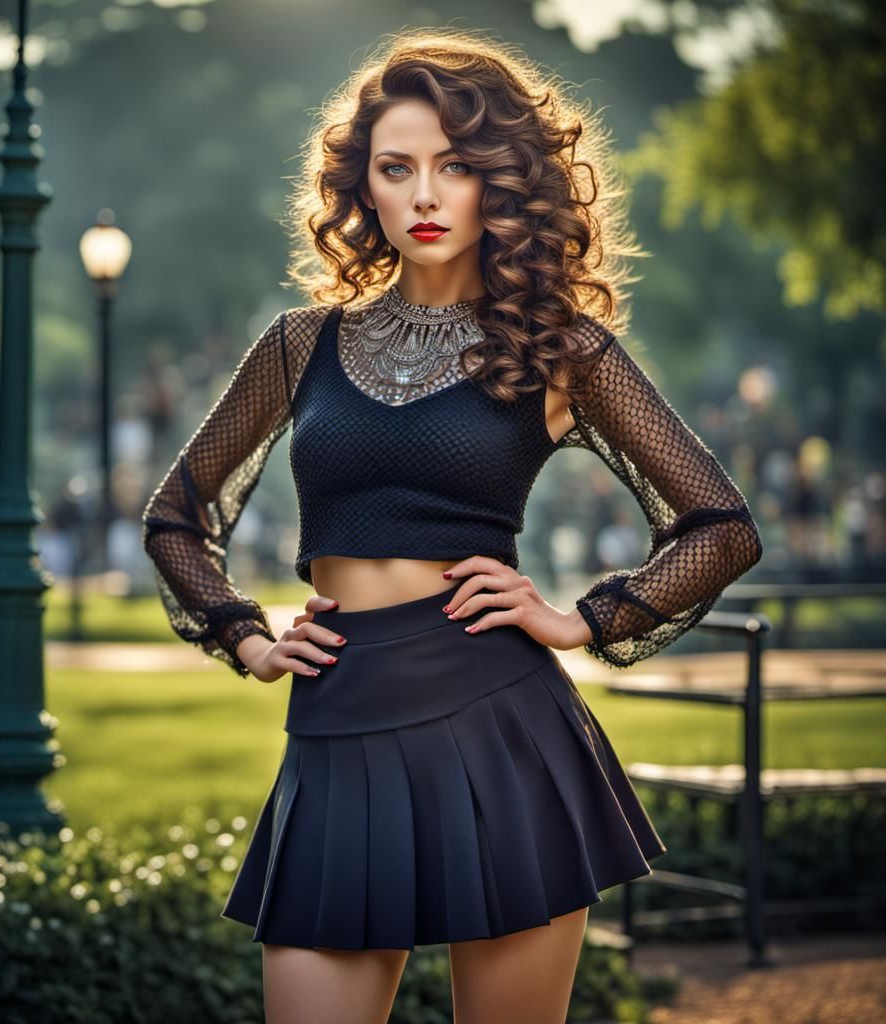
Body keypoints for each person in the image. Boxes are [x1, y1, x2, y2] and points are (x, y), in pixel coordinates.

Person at [142, 28, 763, 1024]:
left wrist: (584, 620)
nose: (425, 195)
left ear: (498, 185)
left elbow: (719, 522)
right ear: (365, 188)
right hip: (336, 726)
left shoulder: (560, 348)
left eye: (456, 166)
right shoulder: (300, 345)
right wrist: (247, 637)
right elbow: (177, 514)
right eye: (397, 169)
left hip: (502, 723)